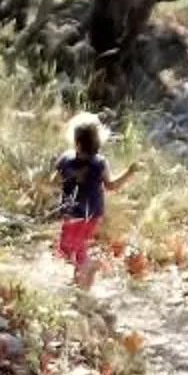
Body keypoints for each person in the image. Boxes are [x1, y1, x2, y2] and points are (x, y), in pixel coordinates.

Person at [54, 114, 136, 288]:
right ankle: (82, 284)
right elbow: (111, 185)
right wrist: (129, 172)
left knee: (67, 247)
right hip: (92, 214)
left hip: (73, 212)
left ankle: (88, 267)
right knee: (78, 246)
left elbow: (53, 180)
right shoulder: (100, 163)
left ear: (76, 142)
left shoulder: (66, 159)